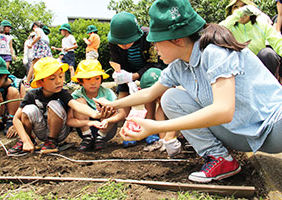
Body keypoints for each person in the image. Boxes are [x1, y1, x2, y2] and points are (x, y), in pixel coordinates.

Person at [95, 0, 282, 183]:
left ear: (177, 39)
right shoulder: (179, 66)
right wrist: (112, 103)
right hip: (240, 134)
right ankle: (220, 159)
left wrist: (156, 126)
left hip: (273, 128)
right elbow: (150, 93)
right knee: (171, 98)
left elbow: (224, 111)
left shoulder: (214, 52)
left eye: (157, 42)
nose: (155, 48)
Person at [8, 57, 101, 154]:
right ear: (40, 82)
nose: (58, 81)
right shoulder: (31, 95)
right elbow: (16, 119)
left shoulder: (63, 93)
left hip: (60, 131)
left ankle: (52, 140)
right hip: (41, 130)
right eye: (52, 78)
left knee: (54, 104)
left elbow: (76, 105)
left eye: (60, 77)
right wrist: (25, 140)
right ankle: (29, 141)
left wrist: (95, 114)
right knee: (28, 109)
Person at [108, 11, 165, 147]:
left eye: (127, 42)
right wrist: (120, 74)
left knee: (148, 87)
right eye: (120, 43)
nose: (123, 46)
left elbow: (154, 63)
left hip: (148, 69)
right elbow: (117, 61)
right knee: (123, 95)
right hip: (127, 71)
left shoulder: (148, 38)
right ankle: (128, 127)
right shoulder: (113, 42)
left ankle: (150, 126)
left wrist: (134, 76)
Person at [68, 59, 125, 151]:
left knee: (108, 105)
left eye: (97, 78)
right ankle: (87, 137)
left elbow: (122, 114)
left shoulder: (107, 93)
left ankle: (100, 137)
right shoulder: (76, 95)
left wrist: (108, 121)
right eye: (88, 79)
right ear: (81, 81)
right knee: (79, 102)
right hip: (85, 128)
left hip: (106, 129)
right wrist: (88, 123)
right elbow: (69, 120)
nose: (93, 82)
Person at [220, 0, 282, 81]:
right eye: (236, 7)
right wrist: (237, 14)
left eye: (244, 6)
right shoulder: (229, 27)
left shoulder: (261, 25)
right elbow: (216, 34)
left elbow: (278, 41)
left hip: (261, 67)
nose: (241, 10)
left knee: (267, 53)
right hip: (238, 69)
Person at [140, 68, 181, 156]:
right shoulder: (160, 109)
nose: (158, 99)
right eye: (156, 97)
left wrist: (169, 137)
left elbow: (177, 118)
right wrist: (163, 140)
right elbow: (159, 117)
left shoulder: (178, 96)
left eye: (160, 94)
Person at [26, 21, 52, 88]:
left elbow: (39, 37)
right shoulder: (45, 35)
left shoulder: (37, 29)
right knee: (45, 65)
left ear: (34, 26)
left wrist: (31, 44)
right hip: (46, 48)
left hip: (40, 47)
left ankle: (27, 82)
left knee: (33, 65)